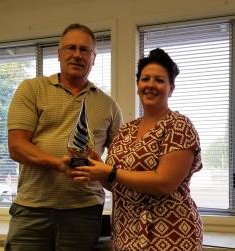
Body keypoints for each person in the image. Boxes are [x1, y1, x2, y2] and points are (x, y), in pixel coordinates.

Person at [5, 23, 123, 251]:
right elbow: (16, 146)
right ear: (59, 54)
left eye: (84, 50)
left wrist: (103, 170)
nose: (77, 55)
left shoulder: (109, 106)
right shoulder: (32, 89)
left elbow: (120, 164)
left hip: (84, 213)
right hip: (32, 210)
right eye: (71, 48)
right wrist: (58, 164)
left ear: (94, 58)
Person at [71, 48, 203, 251]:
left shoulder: (179, 125)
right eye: (145, 79)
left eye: (159, 80)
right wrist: (98, 167)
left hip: (170, 234)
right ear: (138, 84)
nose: (150, 85)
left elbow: (164, 183)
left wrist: (110, 171)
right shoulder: (126, 131)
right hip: (127, 233)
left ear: (171, 88)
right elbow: (115, 184)